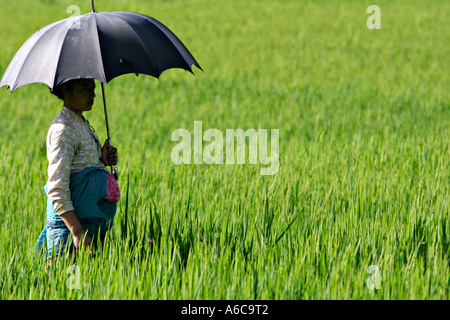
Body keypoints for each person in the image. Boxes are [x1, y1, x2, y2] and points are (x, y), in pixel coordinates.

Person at [34, 78, 120, 265]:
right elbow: (57, 188)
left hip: (91, 225)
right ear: (67, 92)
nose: (93, 94)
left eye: (93, 88)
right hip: (72, 232)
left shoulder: (79, 122)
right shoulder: (63, 130)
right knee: (63, 288)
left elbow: (80, 168)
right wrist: (78, 232)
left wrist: (102, 161)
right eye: (85, 89)